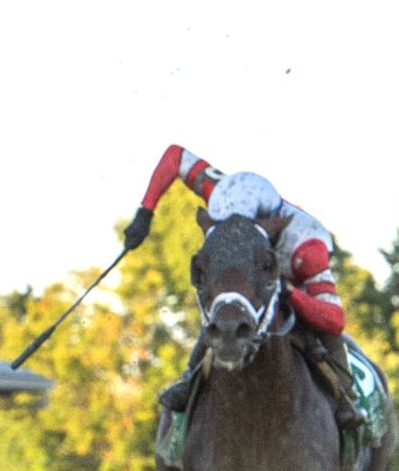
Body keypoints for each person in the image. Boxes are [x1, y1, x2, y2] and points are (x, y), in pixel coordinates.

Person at [124, 145, 360, 427]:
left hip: (291, 281)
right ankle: (189, 377)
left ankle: (345, 396)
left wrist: (289, 293)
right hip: (245, 283)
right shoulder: (226, 196)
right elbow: (175, 156)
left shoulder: (307, 247)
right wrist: (145, 212)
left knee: (322, 336)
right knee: (223, 306)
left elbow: (334, 320)